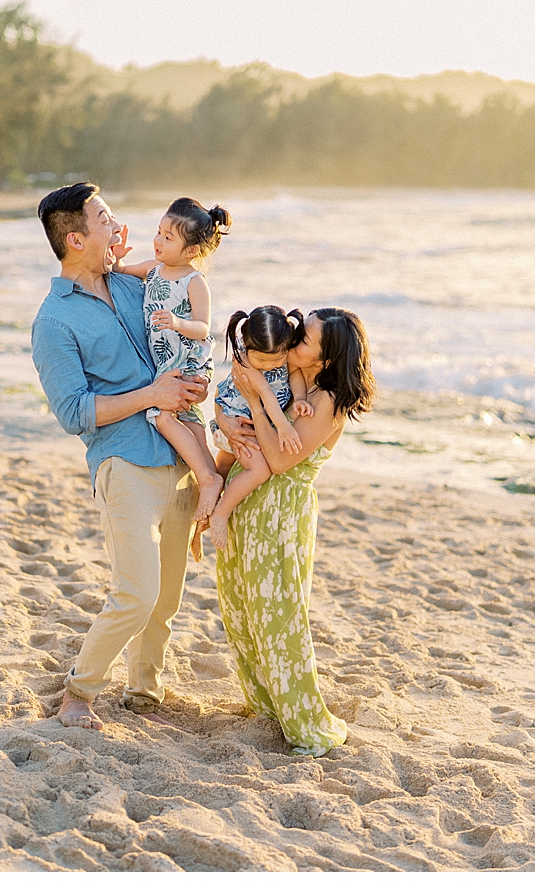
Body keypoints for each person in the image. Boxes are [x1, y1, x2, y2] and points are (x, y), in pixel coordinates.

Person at [30, 182, 208, 731]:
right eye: (104, 219)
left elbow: (180, 336)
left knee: (167, 598)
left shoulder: (135, 286)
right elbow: (74, 412)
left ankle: (144, 689)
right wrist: (152, 396)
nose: (116, 225)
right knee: (136, 592)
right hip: (124, 463)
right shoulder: (54, 322)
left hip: (180, 458)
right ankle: (78, 694)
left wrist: (189, 385)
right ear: (76, 237)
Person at [213, 307, 376, 756]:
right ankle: (267, 706)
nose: (294, 339)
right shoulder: (284, 373)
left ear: (326, 358)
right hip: (248, 503)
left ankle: (303, 719)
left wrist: (253, 399)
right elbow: (231, 395)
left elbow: (280, 459)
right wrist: (227, 418)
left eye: (305, 338)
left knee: (280, 617)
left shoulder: (327, 402)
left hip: (280, 516)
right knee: (243, 610)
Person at [110, 198, 231, 532]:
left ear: (192, 250)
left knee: (163, 416)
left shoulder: (194, 281)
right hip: (166, 359)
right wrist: (118, 258)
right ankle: (214, 478)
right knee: (190, 422)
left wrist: (178, 322)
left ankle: (207, 478)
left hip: (185, 358)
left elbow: (204, 328)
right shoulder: (152, 269)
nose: (158, 241)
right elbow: (119, 272)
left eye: (168, 238)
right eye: (158, 233)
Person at [205, 305, 313, 552]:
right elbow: (265, 394)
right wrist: (284, 427)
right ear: (246, 344)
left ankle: (209, 498)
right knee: (259, 469)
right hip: (239, 421)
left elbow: (294, 374)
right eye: (262, 359)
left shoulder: (283, 353)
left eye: (277, 358)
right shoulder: (245, 362)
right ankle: (220, 512)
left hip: (257, 421)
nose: (270, 365)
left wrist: (301, 398)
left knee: (223, 465)